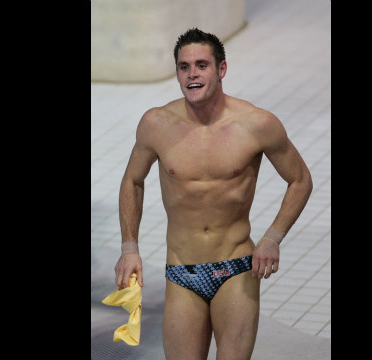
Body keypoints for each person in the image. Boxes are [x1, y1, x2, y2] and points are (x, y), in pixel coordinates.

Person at [114, 28, 313, 360]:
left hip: (235, 267)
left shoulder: (256, 124)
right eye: (184, 67)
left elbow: (301, 180)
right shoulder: (156, 124)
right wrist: (129, 247)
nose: (192, 74)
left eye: (202, 65)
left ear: (221, 70)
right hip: (181, 270)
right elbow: (132, 181)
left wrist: (273, 237)